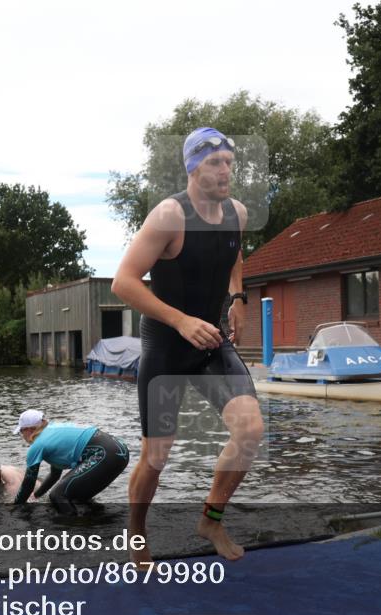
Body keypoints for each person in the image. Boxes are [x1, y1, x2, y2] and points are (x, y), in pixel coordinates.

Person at [111, 127, 264, 565]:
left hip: (210, 339)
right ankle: (137, 532)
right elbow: (124, 281)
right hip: (166, 344)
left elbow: (235, 259)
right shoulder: (168, 216)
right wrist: (180, 321)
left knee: (250, 430)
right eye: (216, 163)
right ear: (193, 167)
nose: (225, 171)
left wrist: (237, 297)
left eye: (230, 163)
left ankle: (211, 519)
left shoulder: (237, 212)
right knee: (157, 455)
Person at [10, 409, 128, 512]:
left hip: (105, 454)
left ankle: (71, 532)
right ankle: (94, 526)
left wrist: (14, 508)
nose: (22, 435)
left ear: (29, 430)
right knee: (76, 498)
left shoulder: (38, 445)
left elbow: (28, 483)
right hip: (119, 450)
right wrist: (36, 496)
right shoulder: (53, 431)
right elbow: (55, 475)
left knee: (57, 495)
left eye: (21, 431)